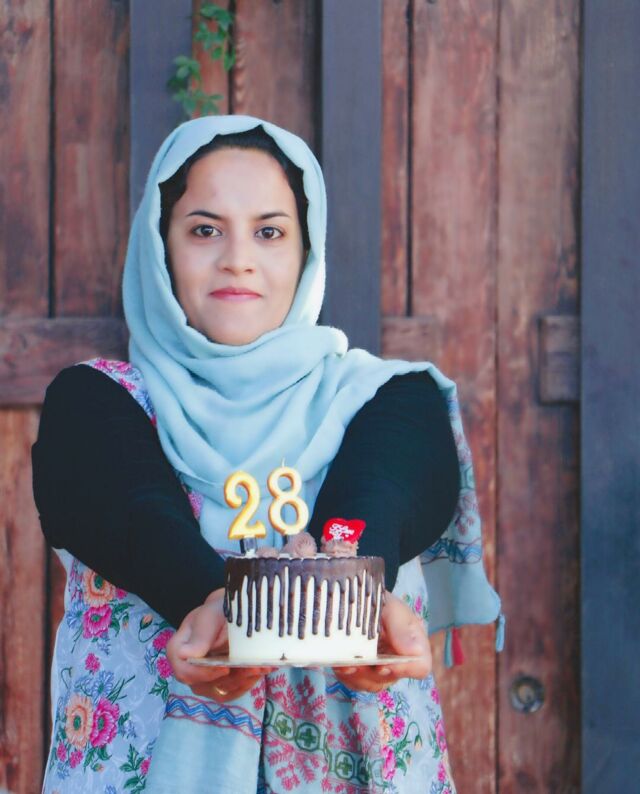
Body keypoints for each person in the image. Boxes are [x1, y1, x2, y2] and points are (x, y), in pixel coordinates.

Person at [33, 115, 501, 793]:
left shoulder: (388, 399)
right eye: (204, 230)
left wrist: (350, 588)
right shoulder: (96, 405)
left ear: (307, 250)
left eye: (270, 232)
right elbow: (138, 512)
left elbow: (379, 494)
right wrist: (209, 602)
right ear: (159, 247)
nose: (238, 259)